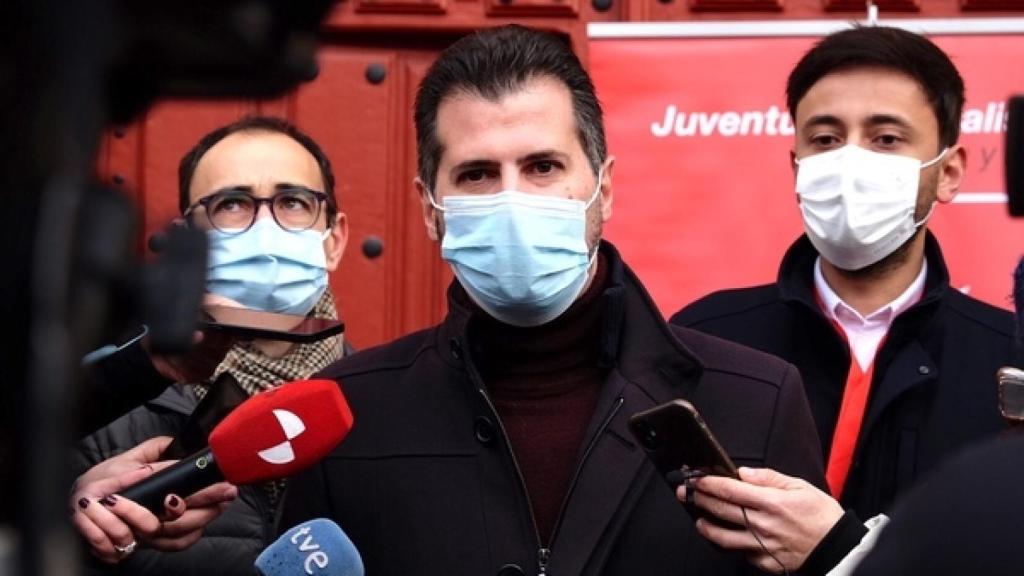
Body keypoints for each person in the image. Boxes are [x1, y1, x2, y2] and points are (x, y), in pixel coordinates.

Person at [279, 24, 825, 576]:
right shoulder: (349, 414)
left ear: (603, 188)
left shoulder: (757, 400)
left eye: (543, 167)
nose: (512, 199)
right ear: (429, 208)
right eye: (477, 174)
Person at [670, 26, 1016, 574]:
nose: (850, 163)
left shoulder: (1008, 365)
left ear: (948, 173)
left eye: (886, 139)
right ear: (797, 169)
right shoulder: (702, 339)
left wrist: (838, 550)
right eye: (826, 139)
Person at [72, 115, 351, 574]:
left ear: (334, 240)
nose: (266, 229)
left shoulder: (384, 399)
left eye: (294, 201)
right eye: (232, 204)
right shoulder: (100, 412)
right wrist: (91, 538)